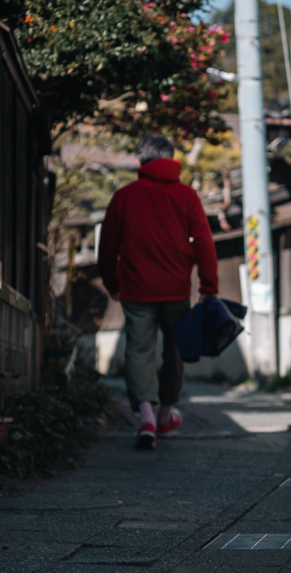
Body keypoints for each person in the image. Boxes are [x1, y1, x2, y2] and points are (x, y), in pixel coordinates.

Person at [98, 134, 218, 449]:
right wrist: (208, 287)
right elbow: (204, 242)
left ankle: (146, 417)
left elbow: (107, 247)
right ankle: (166, 412)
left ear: (139, 163)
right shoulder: (187, 196)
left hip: (136, 291)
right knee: (174, 350)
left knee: (139, 350)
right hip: (177, 290)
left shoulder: (124, 197)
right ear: (171, 160)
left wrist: (112, 283)